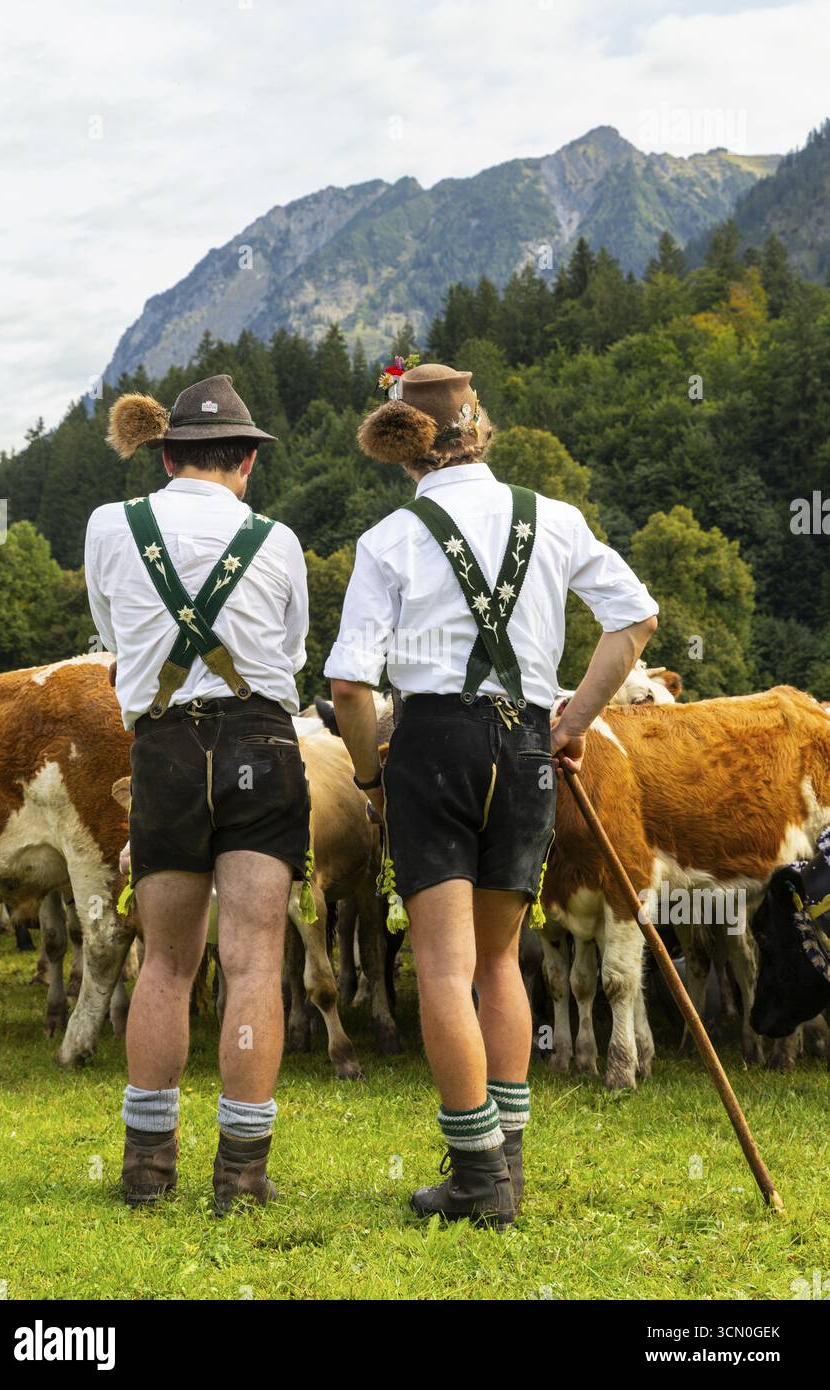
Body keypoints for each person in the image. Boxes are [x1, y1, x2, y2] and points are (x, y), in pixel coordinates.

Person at [326, 362, 659, 1228]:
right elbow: (637, 620)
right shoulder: (556, 518)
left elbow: (351, 689)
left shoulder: (391, 538)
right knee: (500, 960)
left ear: (409, 453)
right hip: (523, 745)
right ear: (483, 432)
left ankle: (476, 1177)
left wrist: (369, 777)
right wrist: (570, 721)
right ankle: (504, 1161)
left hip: (431, 741)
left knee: (442, 965)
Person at [85, 373, 309, 1213]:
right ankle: (242, 1174)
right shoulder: (276, 540)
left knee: (168, 962)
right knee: (255, 958)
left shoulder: (113, 525)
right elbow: (288, 651)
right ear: (247, 461)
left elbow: (112, 634)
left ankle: (147, 1168)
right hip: (259, 742)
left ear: (166, 454)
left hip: (164, 750)